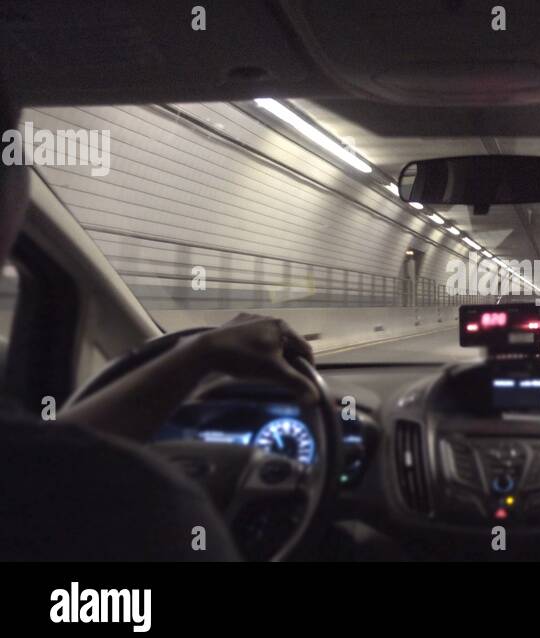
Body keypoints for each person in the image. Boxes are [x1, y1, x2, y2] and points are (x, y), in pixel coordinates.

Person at [0, 93, 317, 561]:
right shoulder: (147, 510)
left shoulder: (41, 480)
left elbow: (39, 466)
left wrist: (198, 357)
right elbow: (48, 473)